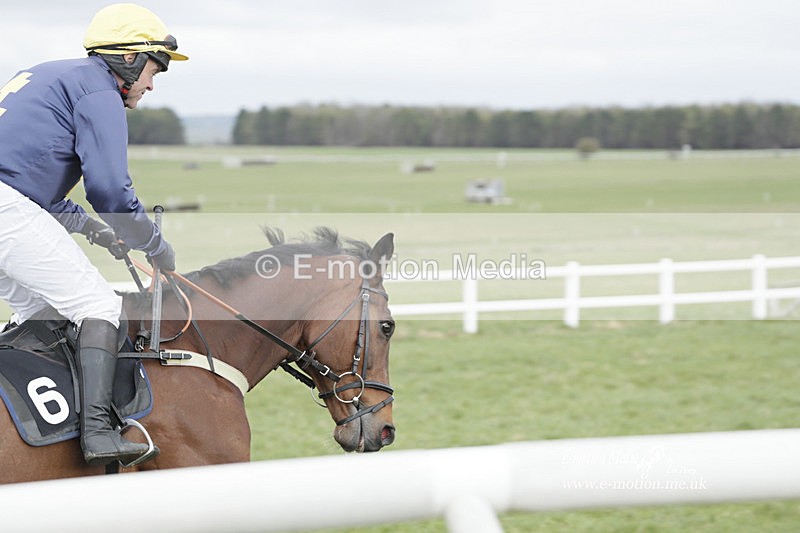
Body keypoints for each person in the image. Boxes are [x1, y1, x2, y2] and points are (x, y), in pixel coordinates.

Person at [0, 3, 188, 466]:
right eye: (153, 69)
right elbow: (108, 188)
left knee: (40, 314)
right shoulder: (99, 93)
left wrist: (96, 231)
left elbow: (35, 186)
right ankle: (99, 433)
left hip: (11, 203)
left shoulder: (53, 75)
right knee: (96, 306)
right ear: (127, 58)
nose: (151, 84)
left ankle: (36, 437)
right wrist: (155, 245)